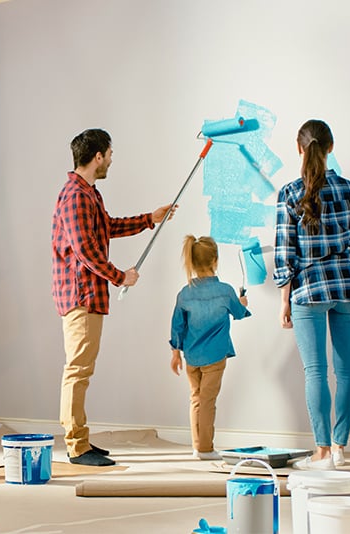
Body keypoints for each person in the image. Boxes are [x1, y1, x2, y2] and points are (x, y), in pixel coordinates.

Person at [52, 128, 175, 467]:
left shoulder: (88, 193)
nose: (111, 161)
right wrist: (122, 277)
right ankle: (76, 447)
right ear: (98, 156)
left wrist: (150, 219)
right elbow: (87, 251)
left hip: (89, 296)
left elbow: (106, 228)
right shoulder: (75, 195)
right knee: (77, 370)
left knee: (82, 370)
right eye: (109, 155)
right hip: (80, 296)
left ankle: (82, 440)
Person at [273, 119, 350, 470]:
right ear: (331, 147)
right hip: (348, 286)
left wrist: (284, 299)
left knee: (315, 372)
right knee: (346, 371)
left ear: (299, 148)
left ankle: (322, 453)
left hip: (309, 289)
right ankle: (340, 449)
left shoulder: (290, 193)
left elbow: (284, 252)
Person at [169, 235, 250, 460]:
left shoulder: (185, 293)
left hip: (191, 357)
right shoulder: (225, 291)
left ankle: (198, 447)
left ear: (192, 263)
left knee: (195, 399)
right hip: (215, 356)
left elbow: (177, 326)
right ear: (215, 260)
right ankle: (205, 449)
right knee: (207, 401)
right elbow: (239, 314)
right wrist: (243, 303)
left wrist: (175, 353)